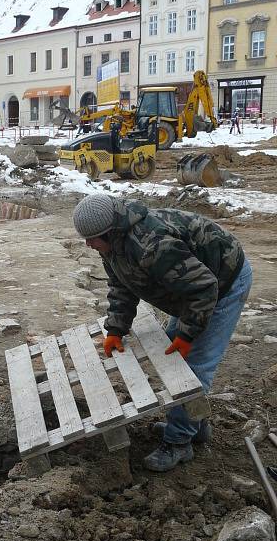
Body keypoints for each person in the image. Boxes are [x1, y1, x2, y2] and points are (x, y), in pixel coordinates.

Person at [73, 194, 252, 472]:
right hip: (192, 289)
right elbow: (122, 285)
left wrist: (187, 334)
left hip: (223, 283)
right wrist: (115, 329)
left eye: (92, 238)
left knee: (191, 368)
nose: (88, 244)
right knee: (173, 359)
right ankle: (196, 425)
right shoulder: (112, 247)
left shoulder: (152, 245)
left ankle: (179, 443)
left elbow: (204, 288)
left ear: (110, 232)